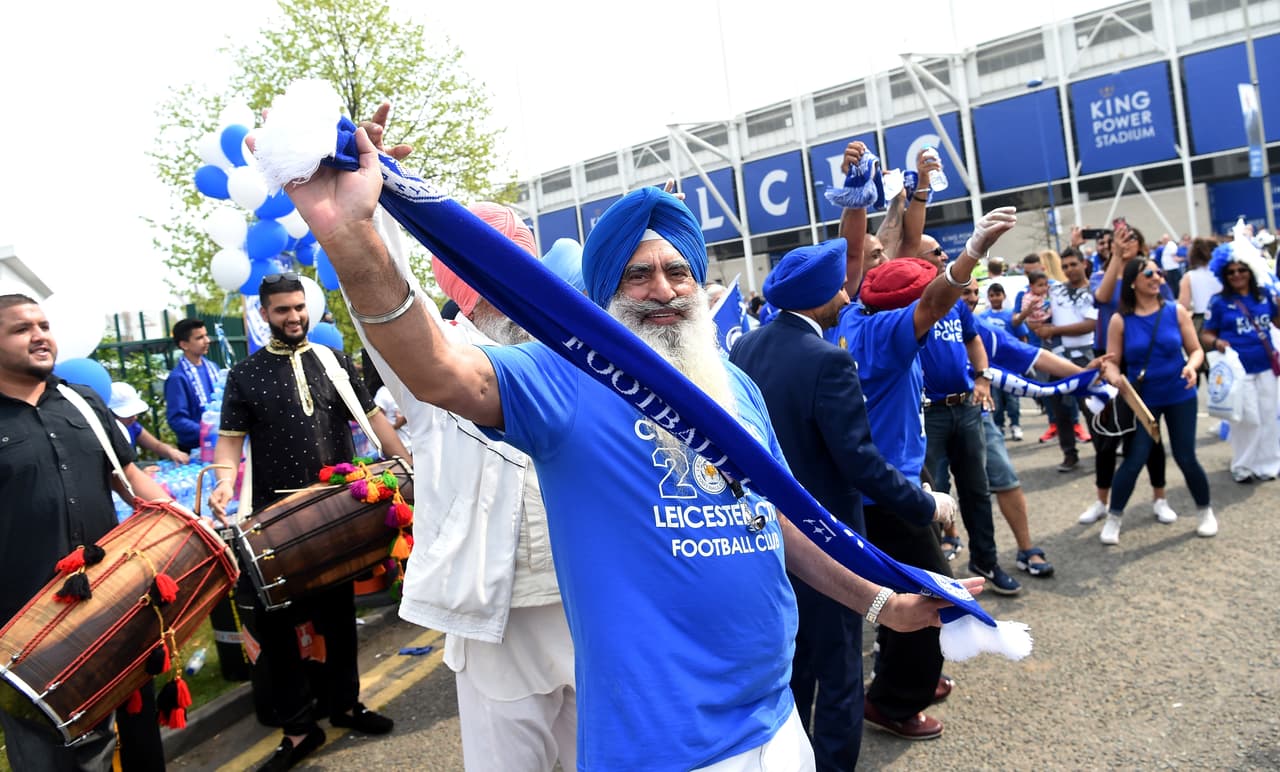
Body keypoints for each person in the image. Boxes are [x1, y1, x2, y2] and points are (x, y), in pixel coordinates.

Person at [280, 120, 984, 769]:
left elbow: (772, 522)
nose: (663, 289)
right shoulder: (565, 378)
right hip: (667, 749)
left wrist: (878, 604)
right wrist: (353, 237)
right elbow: (439, 369)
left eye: (678, 271)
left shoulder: (735, 386)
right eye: (638, 274)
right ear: (604, 292)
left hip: (775, 723)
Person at [362, 199, 577, 771]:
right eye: (502, 267)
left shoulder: (570, 345)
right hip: (496, 617)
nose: (520, 283)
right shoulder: (435, 358)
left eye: (524, 264)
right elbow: (384, 305)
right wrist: (366, 217)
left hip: (591, 600)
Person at [731, 239, 956, 766]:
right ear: (818, 297)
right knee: (838, 672)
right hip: (826, 537)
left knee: (794, 662)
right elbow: (859, 461)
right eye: (837, 285)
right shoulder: (827, 360)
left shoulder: (745, 347)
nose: (844, 293)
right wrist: (927, 505)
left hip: (764, 532)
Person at [208, 273, 409, 771]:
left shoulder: (334, 363)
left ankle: (344, 704)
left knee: (340, 620)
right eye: (282, 310)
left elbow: (371, 418)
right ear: (264, 315)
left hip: (337, 510)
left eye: (299, 308)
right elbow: (231, 440)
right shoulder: (245, 374)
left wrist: (404, 462)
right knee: (278, 634)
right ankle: (299, 728)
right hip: (274, 521)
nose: (293, 317)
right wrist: (222, 481)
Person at [835, 206, 1016, 742]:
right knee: (931, 595)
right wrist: (972, 253)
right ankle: (893, 701)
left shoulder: (854, 318)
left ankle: (902, 676)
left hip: (879, 483)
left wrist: (882, 202)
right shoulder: (891, 335)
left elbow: (870, 250)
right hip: (892, 491)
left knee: (899, 585)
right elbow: (935, 298)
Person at [0, 294, 173, 772]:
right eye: (20, 329)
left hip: (111, 599)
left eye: (43, 324)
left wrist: (181, 522)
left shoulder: (82, 399)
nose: (39, 335)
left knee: (138, 738)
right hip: (25, 623)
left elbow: (129, 476)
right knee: (50, 753)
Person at [1095, 259, 1215, 544]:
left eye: (1159, 272)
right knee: (1135, 458)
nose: (1157, 276)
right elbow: (1111, 363)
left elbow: (1196, 350)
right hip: (1142, 399)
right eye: (1149, 272)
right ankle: (1114, 518)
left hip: (1180, 394)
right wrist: (1114, 378)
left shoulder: (1177, 312)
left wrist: (1191, 366)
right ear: (1134, 281)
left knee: (1186, 457)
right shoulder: (1120, 320)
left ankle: (1204, 511)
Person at [1079, 222, 1177, 528]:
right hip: (1110, 360)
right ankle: (1101, 501)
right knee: (1107, 437)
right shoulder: (1103, 273)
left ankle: (1160, 498)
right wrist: (1118, 259)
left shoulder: (1153, 275)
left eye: (1132, 236)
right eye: (1119, 238)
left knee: (1151, 432)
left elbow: (1171, 312)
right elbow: (1102, 297)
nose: (1126, 241)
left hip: (1144, 362)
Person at [1201, 251, 1280, 482]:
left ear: (1251, 271)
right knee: (1247, 418)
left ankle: (1268, 464)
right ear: (1224, 275)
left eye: (1241, 270)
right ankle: (1243, 465)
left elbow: (1277, 322)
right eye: (1231, 272)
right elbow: (1206, 334)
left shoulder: (1265, 296)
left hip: (1266, 365)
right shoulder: (1218, 302)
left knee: (1268, 416)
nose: (1237, 275)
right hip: (1238, 369)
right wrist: (1217, 343)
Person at [1028, 248, 1098, 472]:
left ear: (1083, 264)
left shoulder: (1094, 291)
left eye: (1073, 265)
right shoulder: (1056, 290)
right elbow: (1038, 310)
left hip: (1085, 357)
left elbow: (1090, 324)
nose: (1069, 270)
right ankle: (1069, 454)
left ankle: (1103, 449)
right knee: (1061, 409)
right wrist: (1037, 324)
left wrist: (1055, 330)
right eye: (1065, 266)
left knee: (1091, 406)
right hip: (1057, 358)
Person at [164, 318, 220, 455]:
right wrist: (209, 431)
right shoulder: (178, 378)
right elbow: (177, 420)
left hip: (222, 443)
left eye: (206, 335)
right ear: (184, 344)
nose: (207, 341)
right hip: (195, 449)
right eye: (200, 338)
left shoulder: (214, 368)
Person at [980, 282, 1026, 440]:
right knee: (996, 399)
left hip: (1010, 365)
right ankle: (999, 425)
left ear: (1004, 296)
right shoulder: (983, 317)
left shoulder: (1011, 315)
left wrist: (1022, 358)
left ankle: (1015, 424)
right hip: (993, 366)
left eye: (998, 294)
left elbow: (1022, 337)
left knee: (1013, 399)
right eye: (992, 295)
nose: (995, 298)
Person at [109, 381, 189, 463]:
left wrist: (171, 451)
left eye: (135, 413)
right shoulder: (107, 434)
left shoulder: (132, 426)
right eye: (128, 414)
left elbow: (156, 446)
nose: (135, 417)